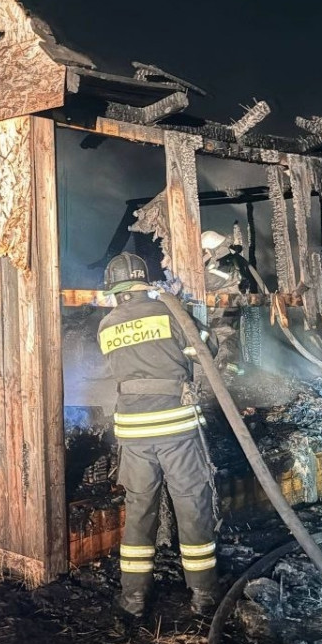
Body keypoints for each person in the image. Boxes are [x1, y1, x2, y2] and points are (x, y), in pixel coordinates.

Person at [98, 251, 220, 618]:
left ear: (116, 291)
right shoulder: (169, 312)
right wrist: (187, 312)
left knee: (139, 510)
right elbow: (206, 349)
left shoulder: (106, 325)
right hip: (176, 428)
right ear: (144, 283)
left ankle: (133, 598)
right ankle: (203, 595)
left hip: (133, 432)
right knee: (191, 504)